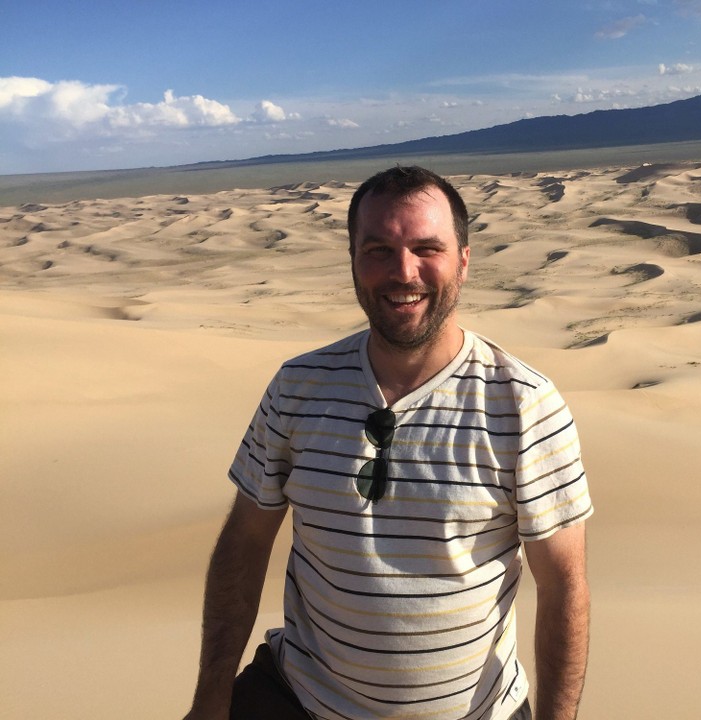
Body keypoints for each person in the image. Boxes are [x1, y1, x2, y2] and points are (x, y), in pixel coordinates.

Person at [184, 166, 593, 720]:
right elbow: (244, 543)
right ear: (353, 261)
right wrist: (212, 697)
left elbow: (564, 588)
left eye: (428, 248)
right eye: (378, 250)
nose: (404, 272)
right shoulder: (297, 388)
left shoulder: (524, 404)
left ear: (464, 261)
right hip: (300, 702)